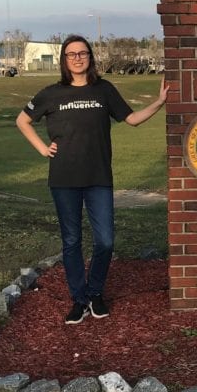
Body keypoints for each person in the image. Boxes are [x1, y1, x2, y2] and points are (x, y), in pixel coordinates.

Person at [16, 35, 170, 324]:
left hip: (98, 177)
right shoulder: (51, 93)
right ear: (64, 59)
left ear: (90, 57)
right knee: (71, 241)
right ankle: (79, 299)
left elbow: (132, 119)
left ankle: (95, 291)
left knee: (106, 242)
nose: (77, 58)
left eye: (82, 53)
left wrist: (159, 102)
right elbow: (22, 120)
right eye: (71, 54)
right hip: (63, 178)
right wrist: (41, 148)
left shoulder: (104, 90)